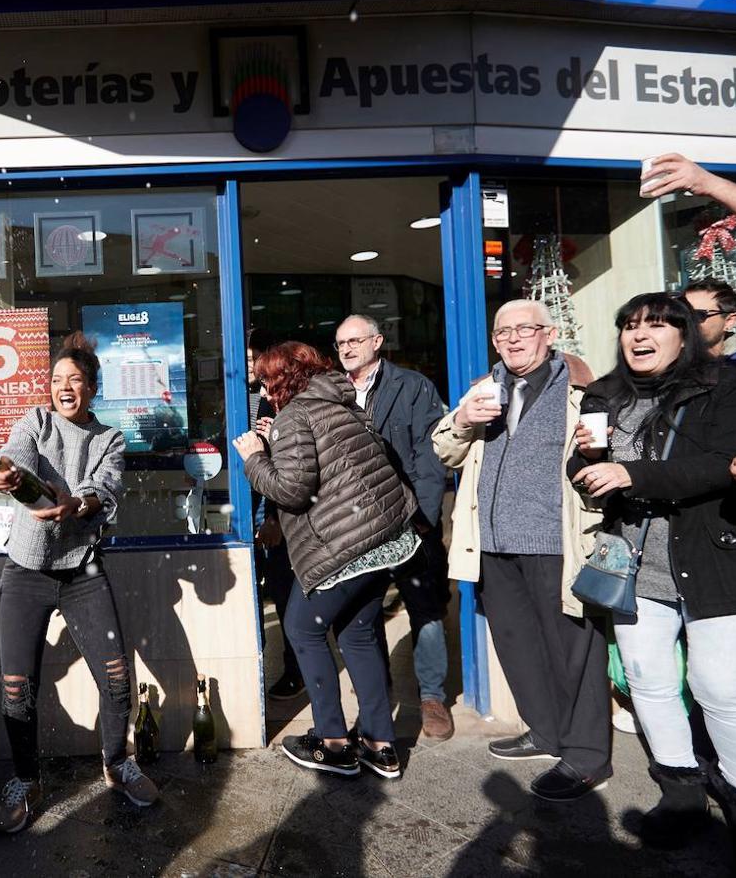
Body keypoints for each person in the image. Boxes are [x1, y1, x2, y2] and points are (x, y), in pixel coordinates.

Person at [571, 292, 736, 859]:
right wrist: (584, 464)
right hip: (634, 564)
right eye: (629, 324)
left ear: (684, 334)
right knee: (648, 681)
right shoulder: (604, 392)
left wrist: (626, 473)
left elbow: (720, 465)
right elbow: (585, 464)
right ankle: (681, 792)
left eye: (655, 324)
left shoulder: (726, 385)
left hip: (718, 556)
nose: (639, 334)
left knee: (721, 688)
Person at [432, 299, 609, 802]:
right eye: (501, 332)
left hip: (556, 540)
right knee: (517, 645)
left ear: (548, 334)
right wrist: (463, 419)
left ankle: (586, 756)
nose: (510, 340)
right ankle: (546, 730)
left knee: (573, 648)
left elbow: (606, 452)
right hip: (492, 542)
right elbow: (444, 449)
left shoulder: (581, 389)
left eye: (523, 330)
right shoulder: (484, 390)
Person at [0, 331, 157, 834]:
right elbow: (15, 456)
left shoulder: (109, 439)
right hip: (26, 571)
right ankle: (24, 779)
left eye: (75, 380)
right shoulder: (34, 422)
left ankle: (116, 762)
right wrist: (8, 474)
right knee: (17, 686)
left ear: (91, 388)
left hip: (82, 568)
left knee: (117, 677)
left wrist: (77, 503)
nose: (65, 387)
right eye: (58, 379)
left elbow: (104, 488)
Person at [233, 341, 418, 780]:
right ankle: (380, 744)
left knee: (301, 628)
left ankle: (332, 742)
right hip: (384, 541)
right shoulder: (344, 403)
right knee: (357, 637)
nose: (263, 388)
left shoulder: (295, 415)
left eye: (265, 380)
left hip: (345, 547)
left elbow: (293, 490)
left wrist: (254, 456)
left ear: (282, 379)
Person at [335, 314, 454, 739]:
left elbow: (431, 456)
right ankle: (378, 695)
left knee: (424, 608)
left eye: (355, 340)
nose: (347, 349)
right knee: (363, 613)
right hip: (360, 526)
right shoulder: (335, 392)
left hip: (411, 519)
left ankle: (432, 697)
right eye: (341, 343)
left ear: (377, 342)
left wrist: (423, 517)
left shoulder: (412, 386)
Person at [247, 327, 302, 700]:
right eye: (245, 358)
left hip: (275, 510)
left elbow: (286, 467)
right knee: (253, 597)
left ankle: (295, 670)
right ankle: (255, 671)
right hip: (246, 506)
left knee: (285, 597)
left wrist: (273, 518)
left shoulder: (282, 402)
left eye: (254, 358)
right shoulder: (240, 396)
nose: (249, 365)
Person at [681, 279, 736, 381]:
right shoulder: (668, 357)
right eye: (682, 314)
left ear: (729, 321)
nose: (687, 321)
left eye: (698, 315)